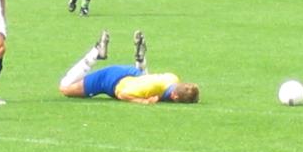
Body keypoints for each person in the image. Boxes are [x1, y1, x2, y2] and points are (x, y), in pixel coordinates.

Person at [59, 30, 200, 104]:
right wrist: (142, 101)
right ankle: (96, 53)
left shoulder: (173, 78)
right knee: (65, 88)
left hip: (134, 74)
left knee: (145, 78)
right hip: (112, 79)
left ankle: (141, 61)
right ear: (174, 96)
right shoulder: (151, 89)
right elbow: (122, 94)